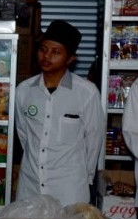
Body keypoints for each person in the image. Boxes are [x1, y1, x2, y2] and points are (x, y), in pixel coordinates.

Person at [15, 20, 105, 207]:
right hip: (30, 186)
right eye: (43, 49)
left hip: (69, 190)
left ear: (70, 58)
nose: (46, 56)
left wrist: (85, 179)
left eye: (55, 52)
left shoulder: (86, 93)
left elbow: (94, 141)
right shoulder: (24, 90)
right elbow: (24, 135)